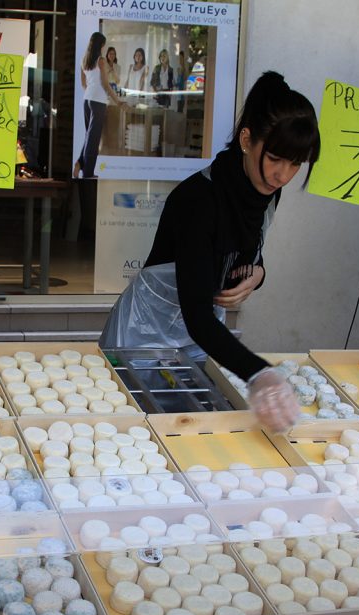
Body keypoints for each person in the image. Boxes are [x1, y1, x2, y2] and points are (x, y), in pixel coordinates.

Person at [99, 72, 320, 432]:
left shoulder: (263, 191)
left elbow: (247, 249)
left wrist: (259, 273)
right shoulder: (198, 202)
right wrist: (259, 373)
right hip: (144, 338)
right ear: (247, 140)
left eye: (296, 164)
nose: (283, 175)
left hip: (198, 343)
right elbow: (197, 316)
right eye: (277, 159)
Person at [73, 32, 122, 179]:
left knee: (89, 136)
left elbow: (83, 83)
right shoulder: (101, 61)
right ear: (101, 45)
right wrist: (118, 101)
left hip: (87, 100)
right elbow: (106, 85)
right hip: (98, 101)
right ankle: (88, 173)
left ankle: (80, 163)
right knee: (93, 139)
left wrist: (90, 91)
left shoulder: (84, 60)